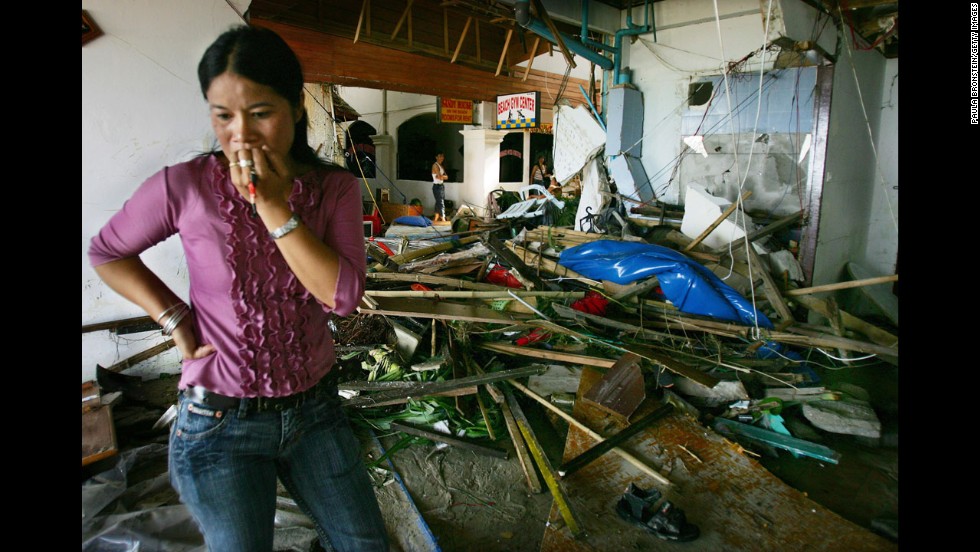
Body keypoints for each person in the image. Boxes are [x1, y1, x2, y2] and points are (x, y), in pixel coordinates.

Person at [87, 25, 389, 552]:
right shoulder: (185, 186)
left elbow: (340, 298)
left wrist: (273, 206)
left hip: (314, 412)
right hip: (218, 422)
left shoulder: (334, 189)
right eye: (223, 115)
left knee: (365, 544)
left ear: (296, 108)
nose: (241, 136)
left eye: (260, 112)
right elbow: (107, 252)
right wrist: (174, 317)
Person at [431, 151, 449, 222]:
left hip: (441, 186)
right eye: (440, 156)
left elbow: (446, 177)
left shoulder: (441, 166)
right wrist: (441, 177)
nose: (441, 158)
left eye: (442, 156)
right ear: (436, 157)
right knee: (441, 202)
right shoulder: (435, 165)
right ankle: (443, 218)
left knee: (438, 202)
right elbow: (439, 177)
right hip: (437, 186)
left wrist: (442, 177)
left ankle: (435, 218)